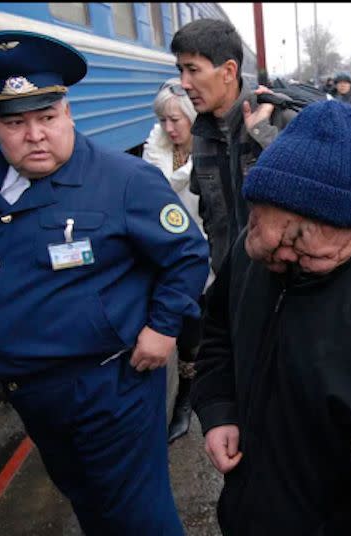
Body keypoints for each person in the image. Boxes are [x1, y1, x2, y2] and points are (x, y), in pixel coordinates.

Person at [0, 31, 210, 534]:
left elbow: (189, 253)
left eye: (46, 117)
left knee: (139, 517)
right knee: (90, 505)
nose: (35, 134)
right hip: (37, 394)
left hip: (109, 388)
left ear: (68, 113)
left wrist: (163, 326)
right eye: (15, 122)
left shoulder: (124, 180)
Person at [192, 100, 351, 535]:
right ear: (258, 207)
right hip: (245, 512)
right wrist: (219, 410)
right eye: (280, 238)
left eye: (311, 249)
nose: (287, 257)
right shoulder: (253, 252)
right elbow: (216, 333)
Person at [171, 18, 296, 275]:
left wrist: (263, 136)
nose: (184, 82)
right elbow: (211, 215)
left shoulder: (278, 119)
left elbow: (309, 196)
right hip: (231, 281)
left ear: (228, 71)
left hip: (281, 284)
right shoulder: (202, 135)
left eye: (193, 70)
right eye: (180, 70)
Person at [143, 77, 209, 443]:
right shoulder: (154, 154)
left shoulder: (210, 153)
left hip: (209, 254)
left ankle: (201, 400)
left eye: (175, 120)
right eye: (163, 121)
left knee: (207, 334)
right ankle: (183, 401)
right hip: (170, 259)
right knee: (182, 332)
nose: (168, 129)